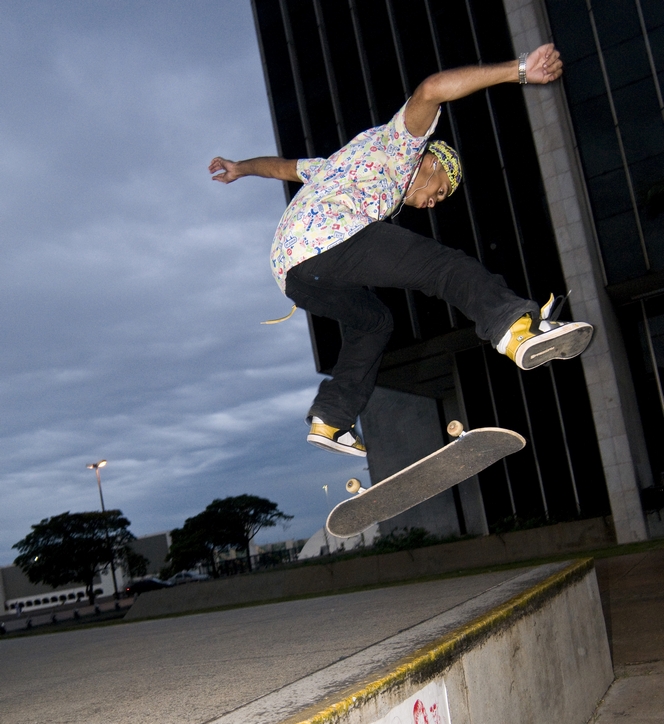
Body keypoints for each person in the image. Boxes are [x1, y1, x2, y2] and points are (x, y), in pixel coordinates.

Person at [209, 44, 593, 458]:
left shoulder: (338, 163)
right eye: (439, 191)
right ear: (429, 164)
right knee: (445, 267)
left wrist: (241, 167)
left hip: (294, 271)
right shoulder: (402, 147)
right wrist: (517, 70)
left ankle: (332, 417)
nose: (433, 202)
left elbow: (283, 167)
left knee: (374, 323)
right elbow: (431, 89)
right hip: (333, 238)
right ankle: (515, 329)